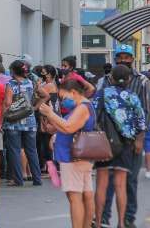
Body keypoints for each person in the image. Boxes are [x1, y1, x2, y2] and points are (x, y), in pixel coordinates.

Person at [97, 44, 150, 228]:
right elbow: (97, 111)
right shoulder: (105, 81)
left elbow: (146, 111)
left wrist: (140, 139)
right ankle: (104, 217)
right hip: (107, 140)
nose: (122, 60)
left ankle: (128, 219)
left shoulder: (142, 81)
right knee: (108, 182)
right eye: (119, 57)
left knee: (130, 180)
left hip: (131, 140)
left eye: (126, 57)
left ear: (132, 59)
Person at [39, 80, 96, 228]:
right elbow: (64, 127)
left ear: (74, 93)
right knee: (84, 195)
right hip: (77, 156)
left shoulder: (82, 108)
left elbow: (69, 127)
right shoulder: (81, 107)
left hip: (73, 157)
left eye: (64, 98)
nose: (64, 102)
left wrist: (50, 113)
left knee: (75, 197)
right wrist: (51, 123)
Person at [2, 60, 42, 187]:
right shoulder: (31, 82)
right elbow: (44, 95)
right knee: (32, 150)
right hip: (30, 121)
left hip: (14, 121)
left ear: (13, 71)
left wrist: (3, 116)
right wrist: (35, 107)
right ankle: (37, 179)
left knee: (14, 150)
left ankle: (18, 180)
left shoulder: (10, 84)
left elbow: (8, 103)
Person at [37, 65, 60, 170]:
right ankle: (48, 166)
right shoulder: (50, 84)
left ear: (49, 75)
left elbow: (37, 93)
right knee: (47, 141)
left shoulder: (49, 85)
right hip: (50, 114)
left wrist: (37, 85)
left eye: (43, 72)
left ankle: (49, 167)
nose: (41, 75)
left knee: (48, 142)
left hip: (49, 115)